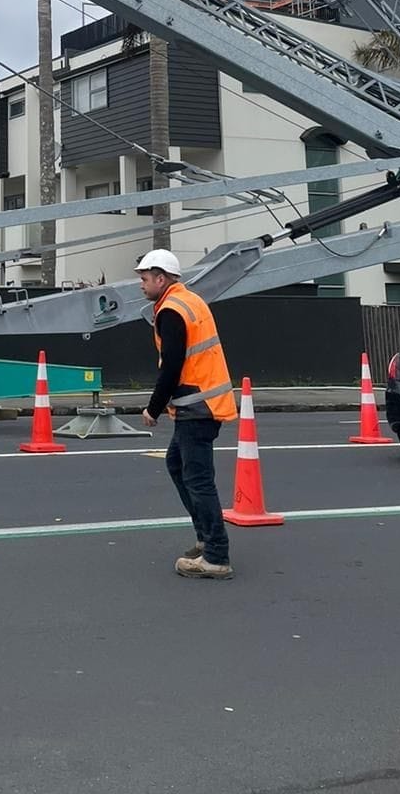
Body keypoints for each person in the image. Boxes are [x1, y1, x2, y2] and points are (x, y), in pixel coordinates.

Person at [137, 249, 238, 580]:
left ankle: (216, 555)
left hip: (197, 405)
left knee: (198, 479)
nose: (141, 284)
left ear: (161, 278)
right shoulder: (190, 301)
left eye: (145, 278)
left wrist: (153, 408)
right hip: (202, 402)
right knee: (177, 465)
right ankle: (204, 536)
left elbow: (172, 366)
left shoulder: (170, 310)